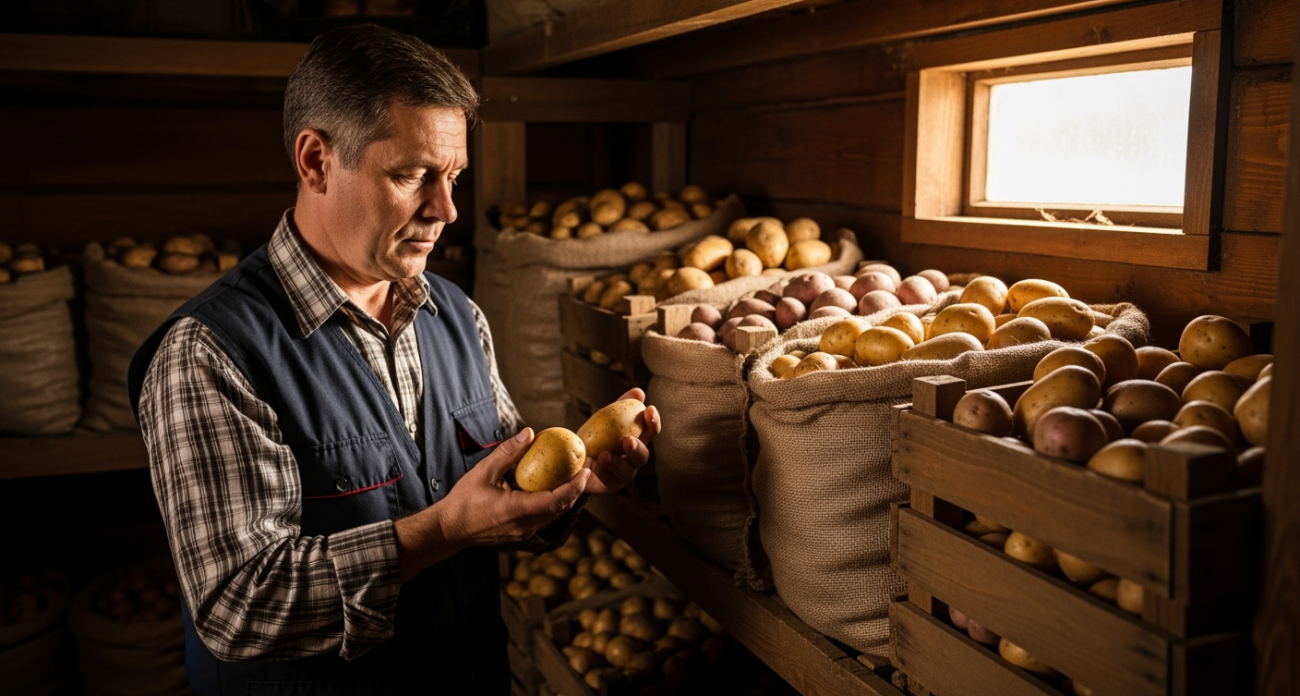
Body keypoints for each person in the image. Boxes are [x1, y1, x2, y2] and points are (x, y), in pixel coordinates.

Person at [127, 24, 659, 695]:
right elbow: (238, 604)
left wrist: (566, 492)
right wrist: (441, 531)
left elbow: (497, 502)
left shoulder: (457, 317)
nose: (447, 209)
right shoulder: (209, 353)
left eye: (454, 176)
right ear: (316, 161)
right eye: (413, 176)